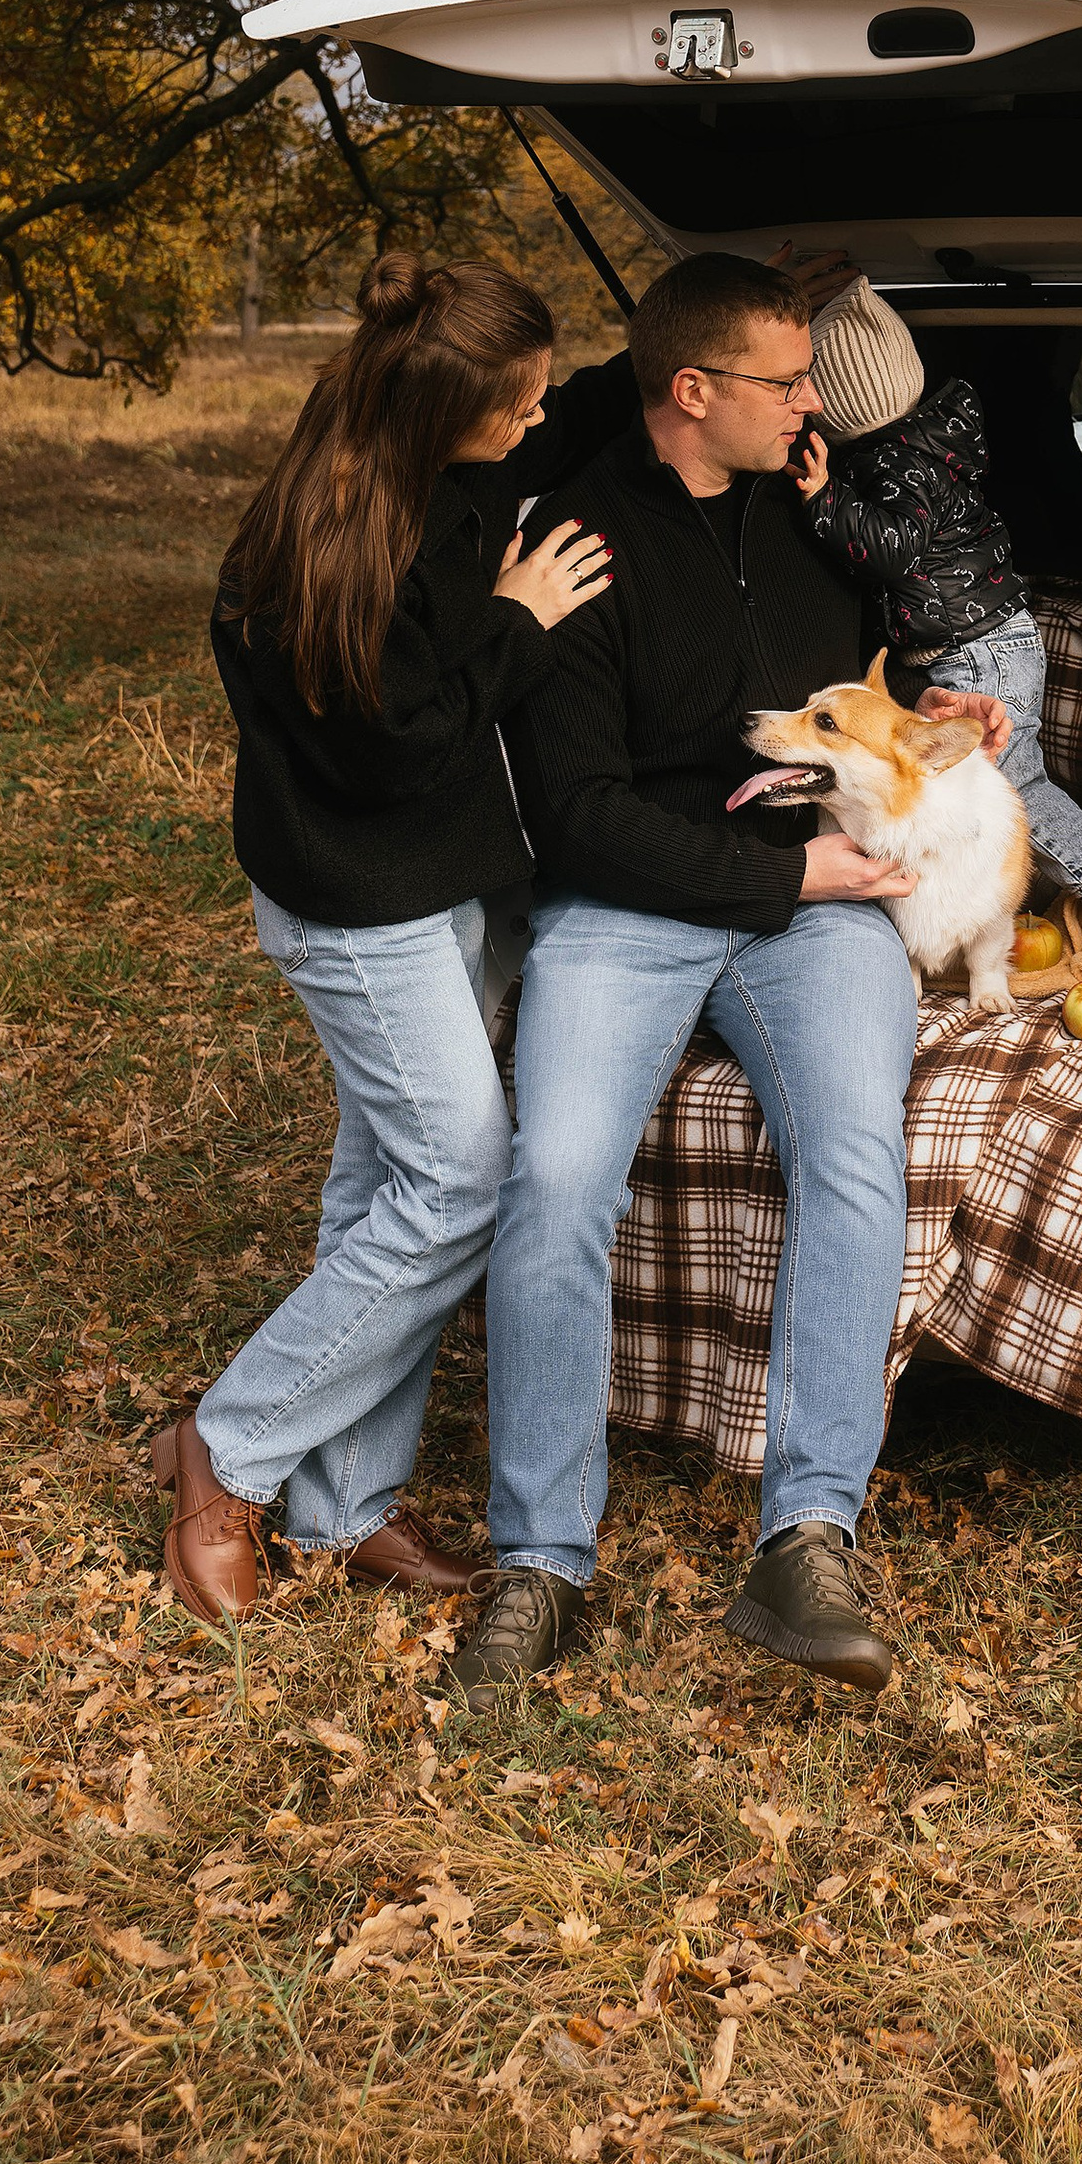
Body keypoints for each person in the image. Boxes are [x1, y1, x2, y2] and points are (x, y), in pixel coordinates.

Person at [453, 252, 1009, 1707]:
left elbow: (875, 699)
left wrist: (934, 720)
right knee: (560, 1173)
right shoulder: (580, 541)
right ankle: (541, 1562)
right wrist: (785, 877)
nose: (811, 400)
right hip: (631, 907)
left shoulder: (816, 511)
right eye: (784, 380)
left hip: (817, 904)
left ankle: (808, 1535)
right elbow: (575, 812)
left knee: (857, 1153)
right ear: (693, 394)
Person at [155, 254, 612, 1624]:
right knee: (457, 1188)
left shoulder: (443, 468)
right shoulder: (327, 548)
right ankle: (226, 1453)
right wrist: (518, 625)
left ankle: (345, 1508)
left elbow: (579, 407)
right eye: (515, 406)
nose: (536, 424)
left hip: (447, 887)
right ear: (441, 411)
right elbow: (399, 751)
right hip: (360, 905)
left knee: (382, 1192)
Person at [797, 275, 1082, 908]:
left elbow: (892, 551)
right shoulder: (920, 449)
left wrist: (821, 499)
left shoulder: (899, 466)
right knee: (982, 781)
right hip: (983, 641)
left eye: (807, 386)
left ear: (840, 409)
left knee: (1011, 781)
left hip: (978, 650)